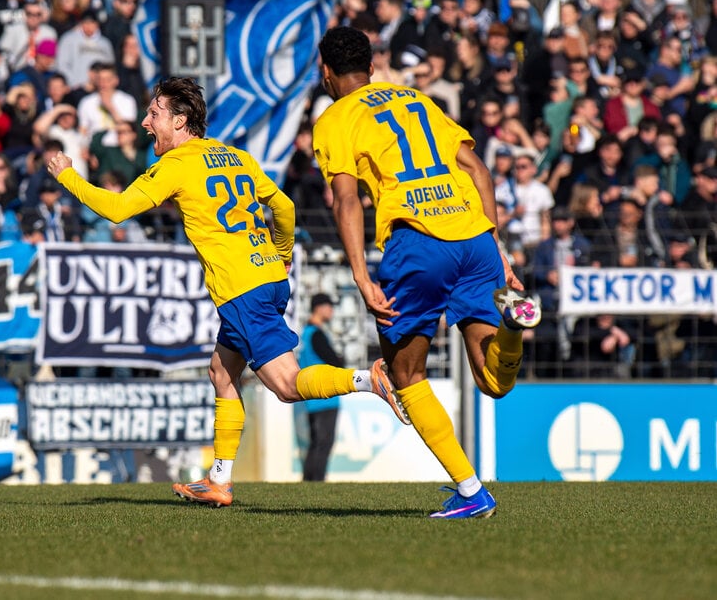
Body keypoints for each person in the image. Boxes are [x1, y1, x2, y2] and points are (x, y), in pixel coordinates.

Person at [47, 76, 409, 507]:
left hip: (243, 290)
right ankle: (219, 480)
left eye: (154, 114)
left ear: (180, 121)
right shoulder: (234, 156)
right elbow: (285, 207)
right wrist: (283, 253)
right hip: (269, 278)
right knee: (221, 373)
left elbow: (117, 208)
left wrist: (68, 176)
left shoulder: (177, 165)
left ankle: (372, 379)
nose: (146, 123)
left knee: (288, 386)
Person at [313, 26, 541, 519]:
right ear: (372, 68)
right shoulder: (418, 99)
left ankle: (471, 491)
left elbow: (346, 199)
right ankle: (513, 329)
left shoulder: (335, 118)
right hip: (474, 236)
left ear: (325, 72)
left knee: (405, 372)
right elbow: (479, 171)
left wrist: (360, 274)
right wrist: (497, 247)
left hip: (419, 243)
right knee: (491, 379)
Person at [298, 293, 343, 482]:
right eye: (328, 306)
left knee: (316, 443)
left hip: (311, 397)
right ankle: (317, 481)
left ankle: (309, 481)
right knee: (323, 443)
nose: (331, 310)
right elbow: (334, 360)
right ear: (319, 308)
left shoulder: (307, 334)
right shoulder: (316, 334)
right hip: (325, 397)